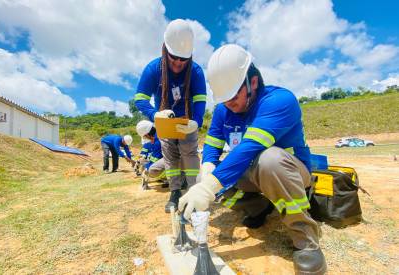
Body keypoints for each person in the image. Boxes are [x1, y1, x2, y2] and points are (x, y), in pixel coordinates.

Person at [178, 44, 327, 275]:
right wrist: (207, 170)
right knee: (209, 174)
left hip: (289, 173)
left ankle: (305, 239)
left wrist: (209, 187)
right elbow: (212, 147)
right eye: (224, 99)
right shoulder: (222, 111)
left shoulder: (280, 101)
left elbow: (250, 148)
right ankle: (258, 206)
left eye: (234, 95)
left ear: (253, 82)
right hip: (251, 173)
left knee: (269, 159)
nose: (229, 104)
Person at [134, 19, 207, 212]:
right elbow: (140, 99)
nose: (178, 63)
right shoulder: (153, 69)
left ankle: (194, 191)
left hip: (187, 123)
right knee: (170, 158)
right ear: (165, 50)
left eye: (183, 59)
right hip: (165, 123)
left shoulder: (196, 71)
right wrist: (155, 115)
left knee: (190, 156)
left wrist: (196, 122)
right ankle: (175, 192)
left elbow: (200, 101)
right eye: (174, 58)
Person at [136, 120, 166, 188]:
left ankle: (173, 178)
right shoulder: (159, 133)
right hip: (183, 158)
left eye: (144, 136)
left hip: (177, 160)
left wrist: (146, 169)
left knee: (152, 170)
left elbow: (155, 158)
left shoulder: (157, 140)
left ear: (147, 134)